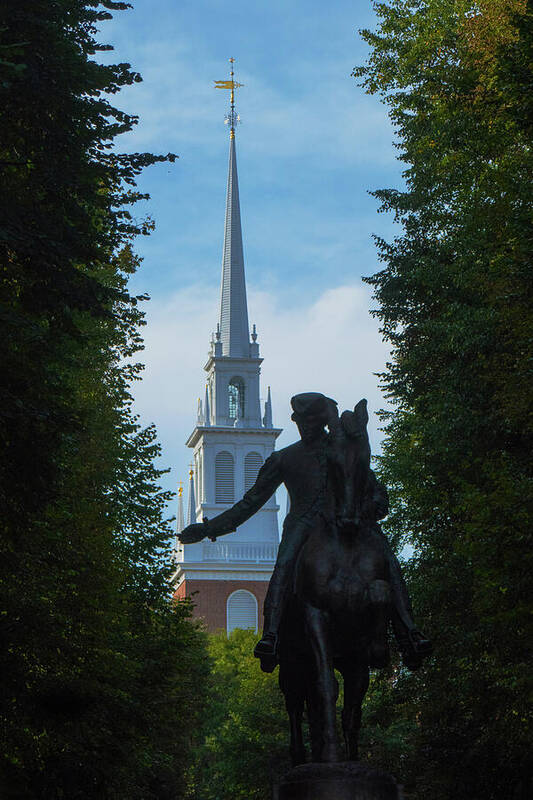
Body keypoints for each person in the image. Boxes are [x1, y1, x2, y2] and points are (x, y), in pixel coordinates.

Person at [179, 392, 431, 671]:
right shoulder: (286, 458)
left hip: (346, 522)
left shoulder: (341, 449)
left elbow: (375, 491)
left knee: (388, 561)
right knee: (284, 567)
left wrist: (370, 509)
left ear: (321, 421)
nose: (305, 427)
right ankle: (271, 636)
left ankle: (409, 633)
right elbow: (250, 503)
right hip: (304, 525)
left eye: (310, 421)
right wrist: (208, 529)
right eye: (301, 421)